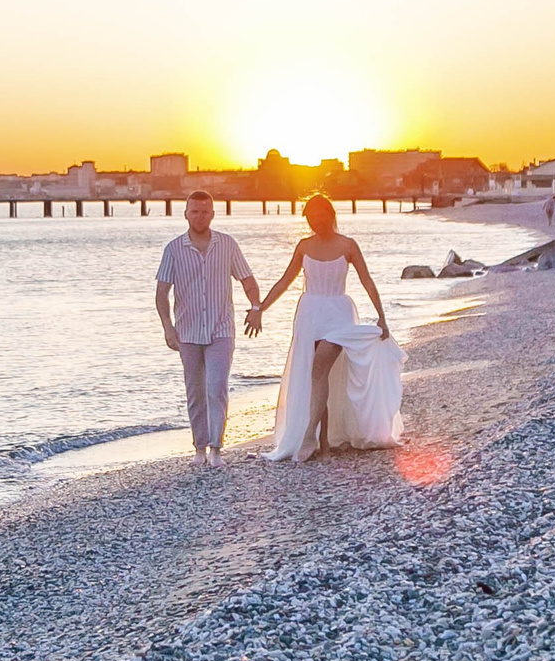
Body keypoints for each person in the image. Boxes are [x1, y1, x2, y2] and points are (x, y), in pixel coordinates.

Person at [248, 194, 402, 462]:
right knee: (318, 376)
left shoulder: (348, 245)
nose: (316, 222)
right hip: (309, 313)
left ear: (331, 215)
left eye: (321, 216)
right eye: (311, 217)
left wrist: (381, 316)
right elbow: (285, 281)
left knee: (319, 368)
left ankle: (308, 434)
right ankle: (324, 445)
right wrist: (260, 308)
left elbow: (367, 280)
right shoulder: (304, 246)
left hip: (339, 314)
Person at [154, 191, 260, 467]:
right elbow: (161, 293)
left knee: (217, 388)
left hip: (220, 329)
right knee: (195, 391)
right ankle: (199, 448)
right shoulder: (174, 249)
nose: (200, 216)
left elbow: (247, 279)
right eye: (195, 211)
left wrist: (256, 307)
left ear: (213, 214)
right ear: (186, 214)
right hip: (187, 332)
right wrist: (168, 328)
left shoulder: (227, 245)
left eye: (205, 211)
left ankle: (216, 448)